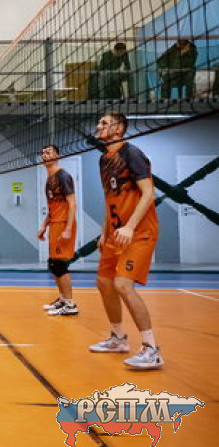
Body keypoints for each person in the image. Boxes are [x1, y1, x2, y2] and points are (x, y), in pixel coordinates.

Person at [90, 112, 162, 369]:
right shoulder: (104, 159)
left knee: (123, 284)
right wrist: (104, 232)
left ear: (118, 128)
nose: (99, 126)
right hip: (116, 233)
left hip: (138, 232)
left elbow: (149, 193)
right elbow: (110, 199)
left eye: (104, 123)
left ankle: (151, 349)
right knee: (104, 283)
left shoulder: (132, 153)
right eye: (99, 122)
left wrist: (130, 227)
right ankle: (118, 338)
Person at [37, 145, 78, 316]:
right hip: (54, 223)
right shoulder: (49, 180)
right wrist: (43, 225)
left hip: (63, 224)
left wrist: (68, 228)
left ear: (57, 156)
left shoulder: (63, 176)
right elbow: (52, 207)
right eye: (43, 152)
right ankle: (62, 298)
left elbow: (72, 204)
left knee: (60, 264)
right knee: (53, 264)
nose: (45, 155)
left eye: (49, 152)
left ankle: (70, 304)